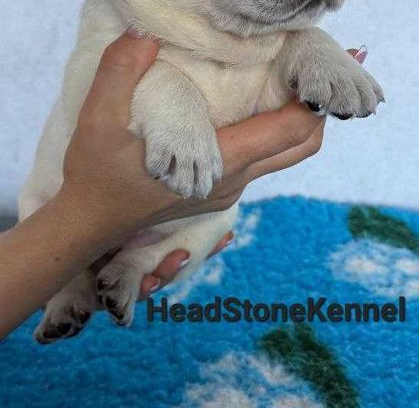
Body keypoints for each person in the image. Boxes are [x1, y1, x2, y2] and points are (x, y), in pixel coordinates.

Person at [0, 31, 327, 340]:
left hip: (170, 223)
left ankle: (135, 263)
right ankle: (71, 289)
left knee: (214, 222)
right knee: (37, 199)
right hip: (57, 201)